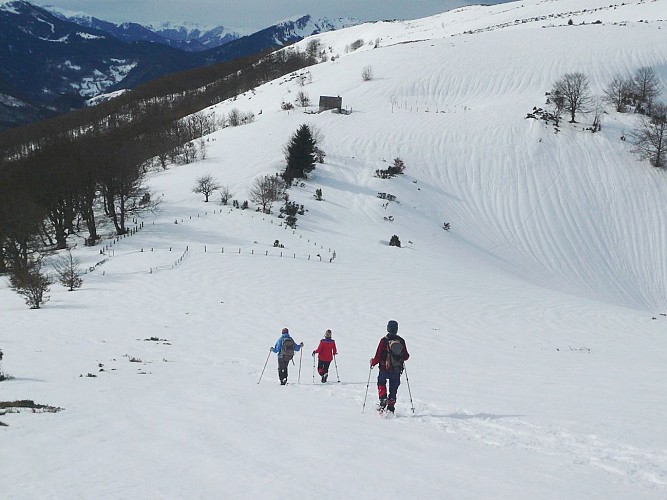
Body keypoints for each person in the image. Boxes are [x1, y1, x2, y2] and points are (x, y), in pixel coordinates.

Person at [370, 320, 409, 413]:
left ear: (388, 328)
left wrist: (373, 362)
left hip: (384, 368)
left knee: (381, 382)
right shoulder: (401, 341)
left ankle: (383, 398)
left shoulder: (383, 341)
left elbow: (378, 356)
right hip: (396, 369)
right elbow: (406, 356)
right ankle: (391, 406)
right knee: (394, 387)